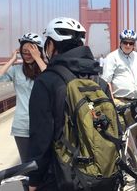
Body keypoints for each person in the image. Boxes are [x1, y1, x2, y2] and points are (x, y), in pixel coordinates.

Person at [28, 17, 109, 191]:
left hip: (61, 176)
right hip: (101, 175)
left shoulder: (46, 82)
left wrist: (34, 180)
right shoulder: (99, 82)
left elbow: (40, 137)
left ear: (50, 45)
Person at [0, 33, 46, 165]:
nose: (27, 55)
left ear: (38, 51)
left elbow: (51, 79)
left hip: (42, 124)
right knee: (27, 165)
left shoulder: (45, 68)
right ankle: (27, 186)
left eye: (30, 52)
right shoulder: (17, 70)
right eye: (24, 52)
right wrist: (12, 59)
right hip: (22, 125)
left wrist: (38, 59)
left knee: (44, 164)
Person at [101, 29, 137, 102]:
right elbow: (106, 81)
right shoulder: (112, 57)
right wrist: (112, 102)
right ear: (121, 42)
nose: (128, 45)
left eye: (131, 43)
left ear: (134, 44)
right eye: (125, 42)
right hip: (119, 101)